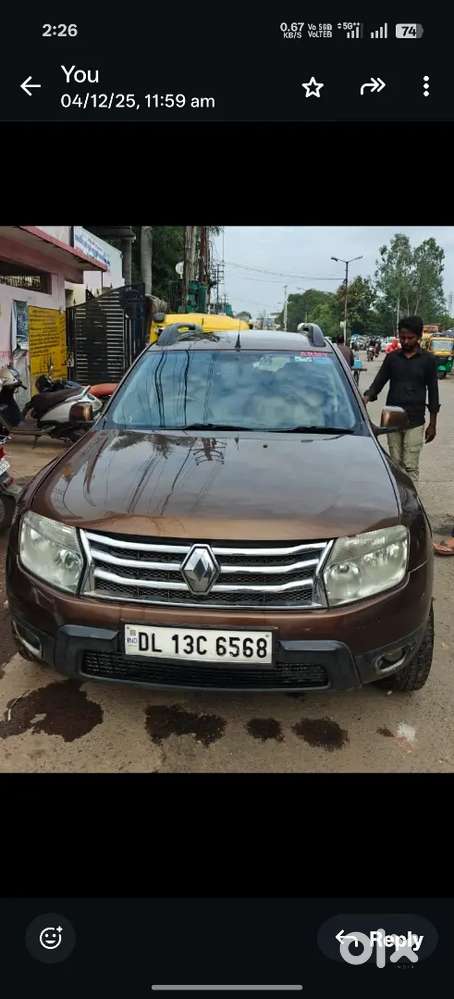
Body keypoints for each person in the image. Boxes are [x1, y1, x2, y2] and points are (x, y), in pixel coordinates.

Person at [362, 316, 439, 486]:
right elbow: (378, 383)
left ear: (418, 337)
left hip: (416, 420)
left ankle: (411, 504)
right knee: (395, 464)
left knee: (410, 466)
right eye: (402, 337)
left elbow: (433, 393)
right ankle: (398, 500)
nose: (405, 341)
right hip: (392, 419)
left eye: (410, 338)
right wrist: (365, 398)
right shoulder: (392, 358)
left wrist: (433, 424)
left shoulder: (428, 361)